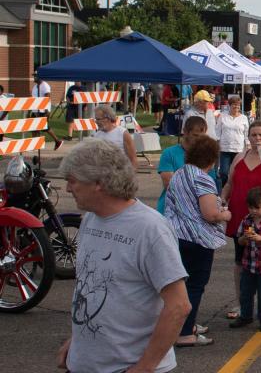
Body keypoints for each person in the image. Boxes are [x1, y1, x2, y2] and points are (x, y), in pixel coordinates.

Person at [57, 140, 189, 372]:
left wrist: (145, 367)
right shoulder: (91, 219)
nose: (68, 189)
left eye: (73, 181)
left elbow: (178, 305)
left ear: (98, 182)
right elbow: (91, 290)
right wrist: (79, 342)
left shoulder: (150, 228)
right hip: (85, 363)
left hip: (126, 366)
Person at [164, 135, 231, 346]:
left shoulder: (179, 174)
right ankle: (185, 332)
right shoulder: (203, 179)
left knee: (178, 285)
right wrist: (225, 215)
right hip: (197, 239)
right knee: (194, 286)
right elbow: (210, 214)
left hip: (176, 236)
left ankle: (181, 325)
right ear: (212, 159)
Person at [222, 122, 261, 321]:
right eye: (253, 135)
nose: (257, 139)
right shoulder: (239, 157)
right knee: (241, 261)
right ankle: (243, 304)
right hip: (242, 214)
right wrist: (222, 198)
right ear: (248, 137)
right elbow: (230, 183)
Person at [231, 186, 261, 332]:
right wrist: (244, 239)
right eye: (250, 207)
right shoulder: (246, 221)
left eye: (256, 208)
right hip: (249, 264)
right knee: (246, 292)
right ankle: (246, 315)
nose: (253, 211)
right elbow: (239, 240)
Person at [157, 116, 218, 215]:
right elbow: (170, 185)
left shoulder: (206, 155)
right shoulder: (169, 153)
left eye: (202, 136)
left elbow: (210, 186)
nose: (199, 140)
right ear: (185, 132)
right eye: (195, 135)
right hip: (171, 211)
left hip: (196, 212)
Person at [216, 95, 250, 189]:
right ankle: (224, 190)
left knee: (237, 172)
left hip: (239, 149)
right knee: (223, 172)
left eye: (238, 105)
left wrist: (248, 145)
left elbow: (247, 133)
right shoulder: (223, 116)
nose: (236, 107)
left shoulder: (244, 118)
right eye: (234, 105)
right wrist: (217, 144)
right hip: (225, 149)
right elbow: (218, 131)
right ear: (229, 106)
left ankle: (235, 190)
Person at [92, 104, 137, 168]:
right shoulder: (97, 135)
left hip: (120, 173)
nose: (96, 122)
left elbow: (133, 158)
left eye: (98, 119)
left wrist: (131, 175)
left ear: (107, 118)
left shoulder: (123, 133)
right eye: (95, 119)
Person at [31, 74, 63, 149]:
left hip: (42, 111)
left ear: (40, 77)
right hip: (35, 110)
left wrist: (46, 111)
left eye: (35, 76)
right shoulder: (35, 87)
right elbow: (33, 99)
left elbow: (47, 98)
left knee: (44, 127)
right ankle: (35, 144)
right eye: (34, 76)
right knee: (34, 127)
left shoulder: (45, 85)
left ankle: (57, 141)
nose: (34, 77)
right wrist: (31, 111)